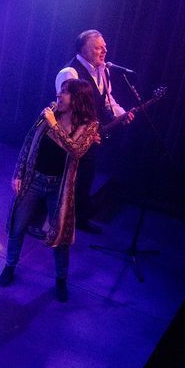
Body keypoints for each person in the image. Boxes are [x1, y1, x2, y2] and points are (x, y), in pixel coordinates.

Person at [0, 78, 101, 302]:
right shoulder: (50, 112)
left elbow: (75, 150)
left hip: (60, 187)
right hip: (34, 180)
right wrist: (18, 174)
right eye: (60, 90)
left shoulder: (89, 125)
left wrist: (54, 125)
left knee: (60, 237)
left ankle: (61, 280)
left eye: (65, 92)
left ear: (77, 97)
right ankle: (9, 266)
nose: (59, 95)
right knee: (17, 226)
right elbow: (28, 143)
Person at [54, 29, 133, 233]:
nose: (104, 51)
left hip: (90, 138)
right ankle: (44, 220)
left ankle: (78, 219)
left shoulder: (103, 71)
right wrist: (84, 132)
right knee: (61, 177)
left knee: (85, 177)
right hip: (70, 136)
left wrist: (121, 114)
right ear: (83, 49)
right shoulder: (70, 73)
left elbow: (107, 100)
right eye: (98, 47)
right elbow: (66, 109)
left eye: (104, 47)